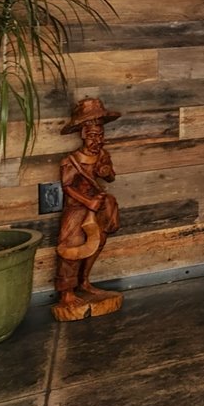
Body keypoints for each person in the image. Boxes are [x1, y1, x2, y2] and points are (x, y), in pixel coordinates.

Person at [53, 96, 123, 322]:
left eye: (100, 135)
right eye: (93, 135)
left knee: (97, 242)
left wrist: (106, 172)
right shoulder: (71, 160)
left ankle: (84, 281)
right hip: (77, 209)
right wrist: (87, 202)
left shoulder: (102, 155)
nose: (97, 140)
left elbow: (110, 177)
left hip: (98, 208)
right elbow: (67, 187)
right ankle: (66, 292)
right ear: (83, 134)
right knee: (72, 247)